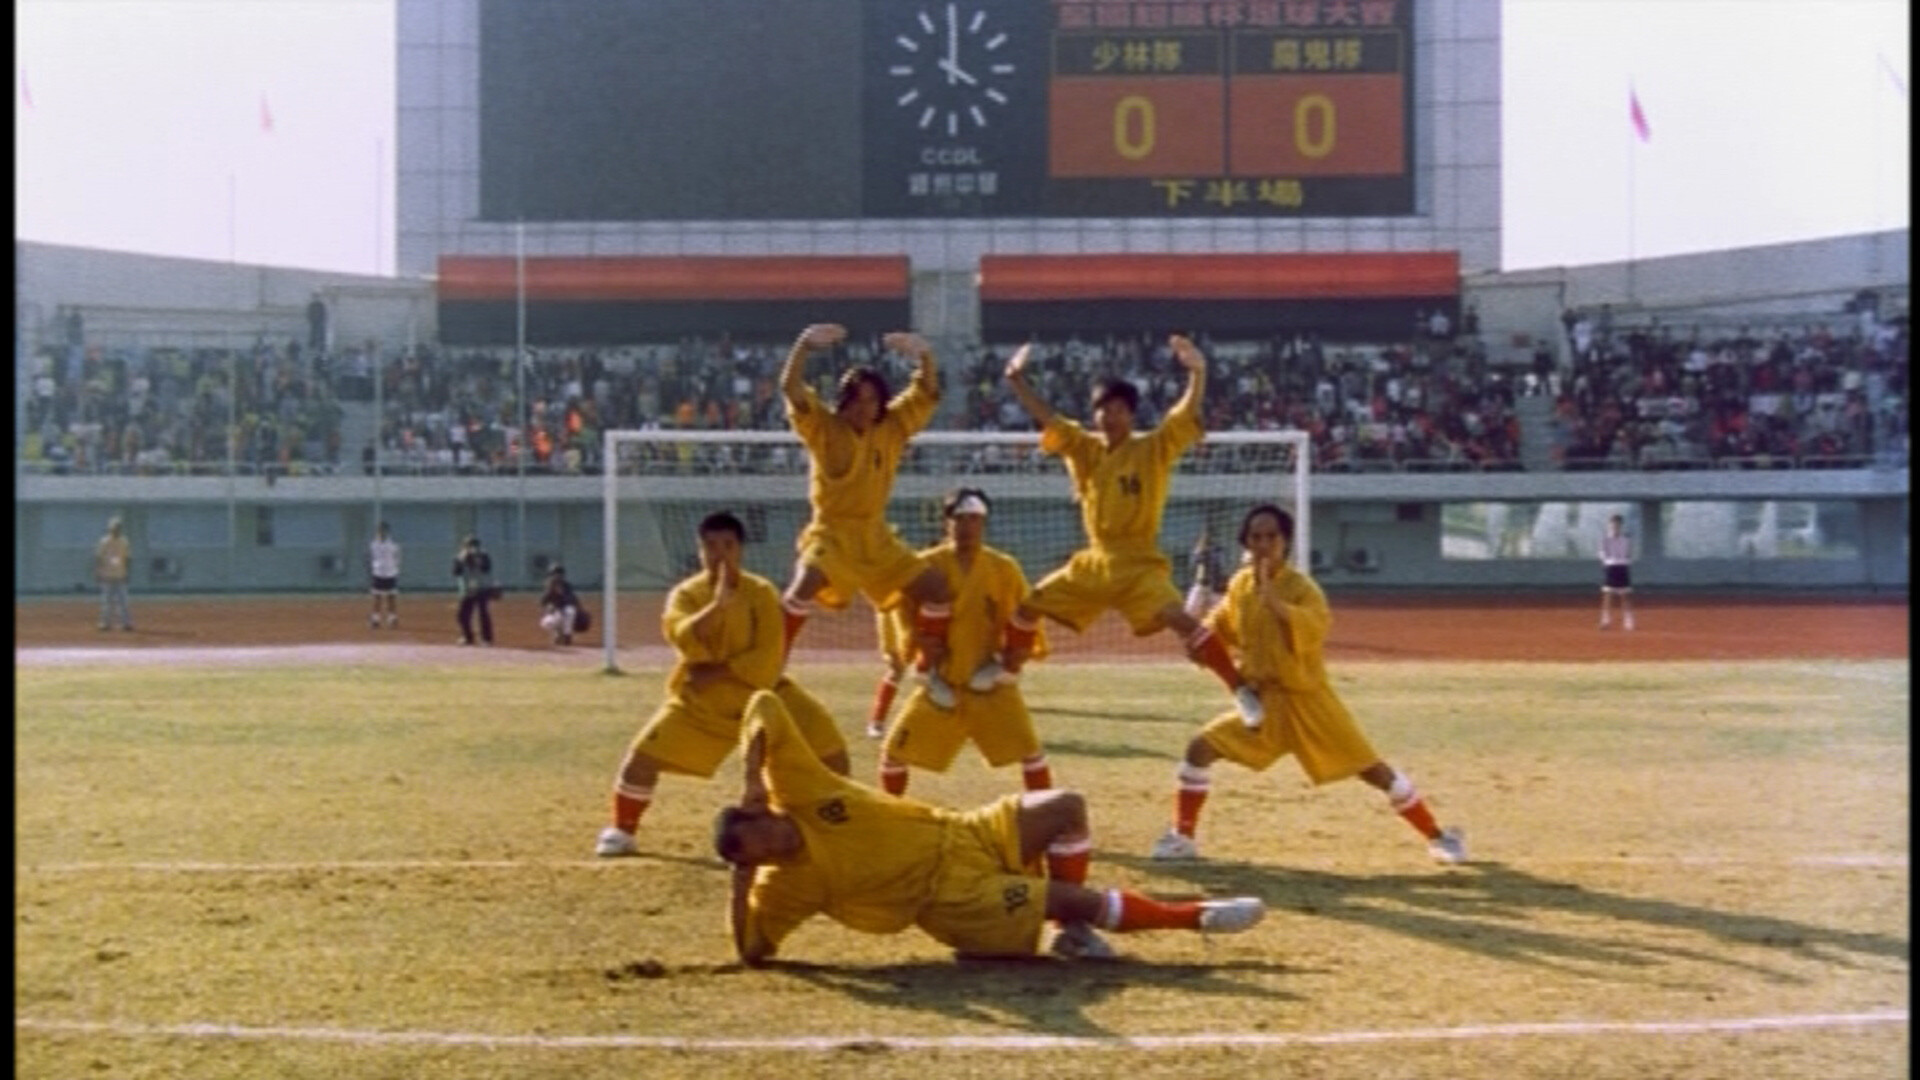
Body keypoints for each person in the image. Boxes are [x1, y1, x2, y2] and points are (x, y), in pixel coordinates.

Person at [716, 690, 1267, 964]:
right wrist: (740, 890)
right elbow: (753, 950)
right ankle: (1195, 918)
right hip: (955, 899)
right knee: (1075, 897)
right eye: (750, 856)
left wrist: (752, 776)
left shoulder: (798, 788)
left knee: (1066, 805)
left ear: (757, 810)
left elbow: (763, 703)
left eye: (754, 833)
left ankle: (1068, 934)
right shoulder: (783, 887)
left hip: (965, 832)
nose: (762, 848)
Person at [1149, 503, 1467, 866]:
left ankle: (1440, 837)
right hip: (1262, 705)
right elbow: (1216, 630)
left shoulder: (1303, 589)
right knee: (1199, 749)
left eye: (1272, 536)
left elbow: (1313, 628)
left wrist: (1276, 603)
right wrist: (1193, 639)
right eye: (1256, 537)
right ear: (1246, 542)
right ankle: (1183, 838)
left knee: (1372, 770)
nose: (1264, 544)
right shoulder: (1239, 585)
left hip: (1308, 700)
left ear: (1286, 542)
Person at [998, 335, 1263, 728]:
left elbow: (1184, 413)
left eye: (1119, 409)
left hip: (1139, 561)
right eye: (1103, 409)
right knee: (1025, 607)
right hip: (1093, 560)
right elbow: (1048, 417)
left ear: (1132, 415)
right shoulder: (1084, 447)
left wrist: (1198, 373)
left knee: (1182, 620)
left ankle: (1241, 690)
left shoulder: (1152, 449)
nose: (1110, 416)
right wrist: (1016, 381)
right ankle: (1006, 676)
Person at [596, 511, 852, 858]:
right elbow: (683, 638)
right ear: (699, 550)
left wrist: (716, 671)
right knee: (640, 760)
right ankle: (622, 830)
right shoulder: (685, 595)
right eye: (710, 545)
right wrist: (717, 606)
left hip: (765, 698)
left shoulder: (761, 592)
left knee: (832, 754)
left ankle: (824, 829)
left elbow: (767, 660)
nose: (719, 553)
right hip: (703, 703)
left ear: (741, 549)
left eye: (728, 545)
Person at [778, 323, 958, 707]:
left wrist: (925, 356)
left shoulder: (891, 427)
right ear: (843, 402)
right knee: (802, 587)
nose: (865, 408)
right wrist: (802, 347)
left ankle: (928, 670)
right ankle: (766, 668)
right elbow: (791, 390)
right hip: (831, 533)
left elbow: (927, 393)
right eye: (857, 401)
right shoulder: (823, 427)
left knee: (938, 589)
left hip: (876, 538)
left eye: (872, 401)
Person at [873, 487, 1057, 797]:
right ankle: (890, 814)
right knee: (894, 754)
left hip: (989, 680)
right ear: (947, 523)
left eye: (975, 519)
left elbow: (1027, 612)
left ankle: (1046, 819)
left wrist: (1019, 654)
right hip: (940, 679)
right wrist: (914, 640)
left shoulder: (1003, 568)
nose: (967, 526)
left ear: (984, 524)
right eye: (960, 519)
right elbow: (894, 606)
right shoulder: (924, 565)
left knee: (1030, 753)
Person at [452, 534, 495, 646]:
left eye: (475, 546)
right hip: (467, 590)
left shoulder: (484, 556)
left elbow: (487, 568)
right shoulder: (460, 557)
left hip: (482, 588)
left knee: (483, 614)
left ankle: (487, 639)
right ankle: (467, 637)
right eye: (469, 546)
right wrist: (461, 560)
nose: (473, 548)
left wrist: (477, 560)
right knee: (462, 615)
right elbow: (455, 572)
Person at [93, 515, 133, 632]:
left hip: (120, 575)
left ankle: (126, 623)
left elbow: (128, 558)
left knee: (123, 601)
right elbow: (98, 557)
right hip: (107, 575)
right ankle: (104, 623)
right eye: (114, 528)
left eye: (118, 528)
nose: (116, 530)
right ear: (110, 529)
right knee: (106, 601)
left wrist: (127, 572)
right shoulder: (104, 542)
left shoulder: (124, 542)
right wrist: (98, 571)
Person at [1599, 513, 1635, 630]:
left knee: (1625, 595)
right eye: (1613, 524)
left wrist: (1626, 561)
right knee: (1608, 594)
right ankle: (1605, 620)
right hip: (1611, 567)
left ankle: (1628, 621)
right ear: (1610, 525)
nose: (1615, 526)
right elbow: (1602, 552)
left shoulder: (1626, 539)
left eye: (1618, 524)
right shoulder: (1605, 539)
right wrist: (1606, 562)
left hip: (1622, 567)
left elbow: (1629, 553)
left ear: (1621, 525)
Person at [538, 564, 587, 646]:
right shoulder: (549, 587)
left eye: (559, 574)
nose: (557, 576)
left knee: (570, 611)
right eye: (554, 574)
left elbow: (573, 600)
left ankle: (567, 635)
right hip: (556, 614)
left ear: (563, 575)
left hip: (567, 612)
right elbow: (542, 602)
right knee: (547, 622)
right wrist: (548, 606)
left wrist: (561, 595)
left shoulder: (567, 586)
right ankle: (557, 633)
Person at [367, 521, 401, 629]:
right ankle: (375, 619)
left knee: (391, 596)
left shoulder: (392, 545)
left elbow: (397, 558)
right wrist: (374, 568)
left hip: (390, 573)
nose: (381, 533)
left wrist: (395, 568)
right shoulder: (373, 545)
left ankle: (392, 618)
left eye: (383, 531)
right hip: (378, 573)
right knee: (377, 597)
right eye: (379, 531)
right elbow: (371, 558)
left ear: (387, 532)